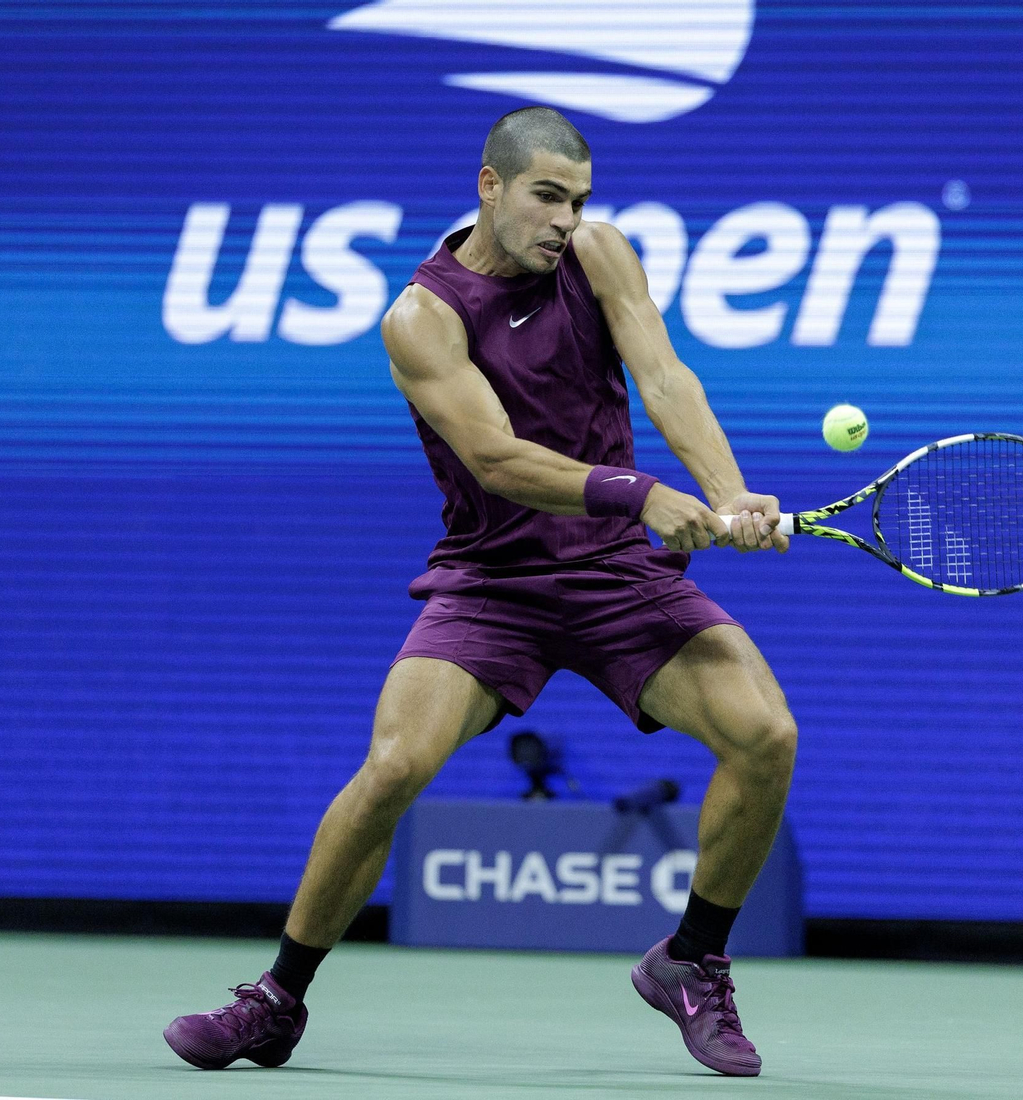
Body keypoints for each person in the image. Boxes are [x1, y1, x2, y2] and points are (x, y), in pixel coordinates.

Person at [163, 107, 798, 1079]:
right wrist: (644, 492)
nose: (565, 219)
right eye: (547, 196)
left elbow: (665, 377)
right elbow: (496, 457)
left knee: (765, 735)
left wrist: (724, 490)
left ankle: (689, 960)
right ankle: (277, 998)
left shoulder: (602, 257)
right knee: (392, 766)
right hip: (493, 580)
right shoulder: (421, 316)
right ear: (490, 187)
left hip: (615, 575)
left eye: (579, 199)